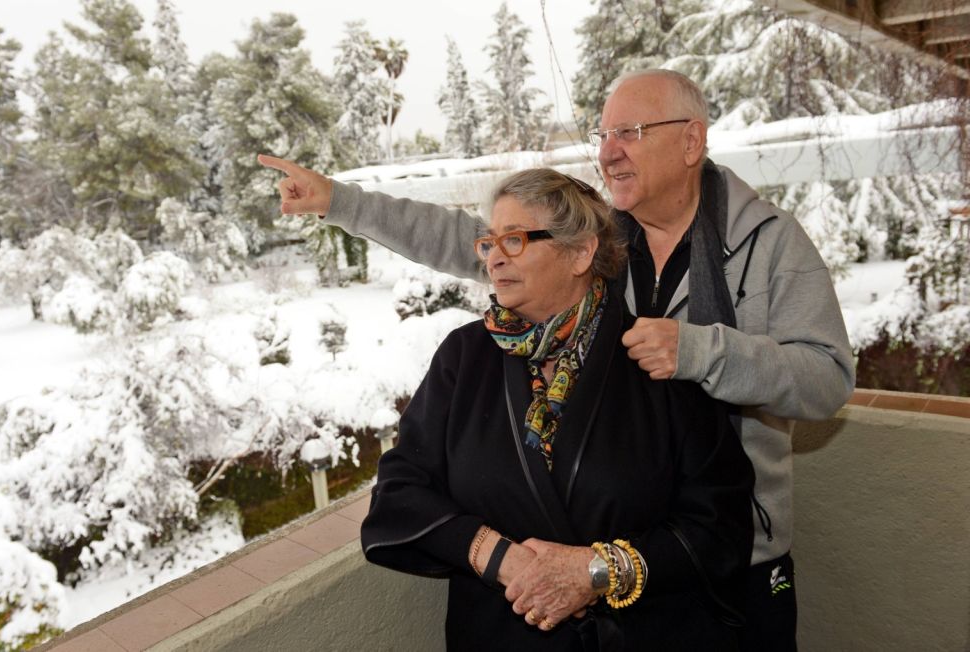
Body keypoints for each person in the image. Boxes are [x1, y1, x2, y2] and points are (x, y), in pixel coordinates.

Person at [258, 69, 856, 651]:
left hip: (735, 551)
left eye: (630, 133)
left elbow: (828, 379)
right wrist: (338, 201)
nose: (609, 153)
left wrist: (701, 351)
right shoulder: (601, 245)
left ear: (691, 139)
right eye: (603, 137)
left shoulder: (770, 244)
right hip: (602, 564)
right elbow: (467, 238)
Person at [360, 168, 755, 649]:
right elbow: (399, 495)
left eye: (516, 240)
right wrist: (504, 559)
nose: (494, 259)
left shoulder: (654, 357)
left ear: (581, 252)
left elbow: (720, 530)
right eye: (489, 243)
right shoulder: (464, 358)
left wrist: (597, 572)